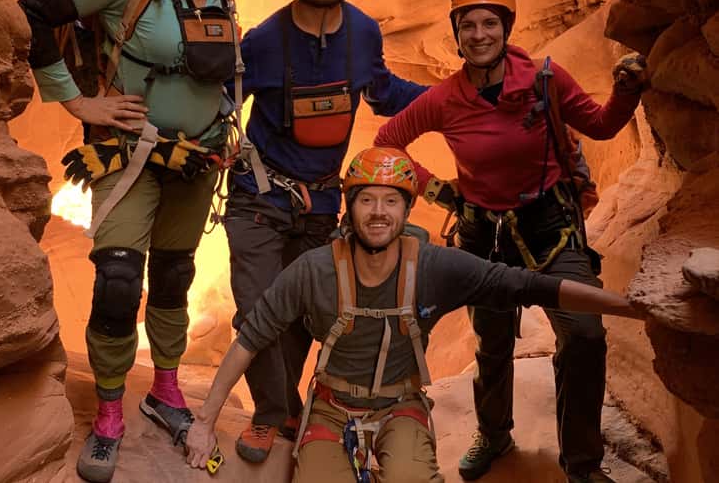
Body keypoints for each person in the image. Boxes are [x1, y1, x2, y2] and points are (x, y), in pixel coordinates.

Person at [184, 147, 644, 482]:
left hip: (399, 407)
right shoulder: (316, 269)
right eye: (367, 200)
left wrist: (628, 307)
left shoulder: (433, 267)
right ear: (350, 207)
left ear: (407, 209)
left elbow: (527, 285)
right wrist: (204, 424)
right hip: (331, 408)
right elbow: (252, 336)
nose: (378, 212)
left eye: (391, 201)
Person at [17, 0, 239, 481]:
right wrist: (77, 102)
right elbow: (35, 15)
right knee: (118, 284)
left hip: (198, 157)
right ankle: (109, 411)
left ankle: (166, 389)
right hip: (130, 153)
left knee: (174, 277)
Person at [373, 0, 648, 483]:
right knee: (492, 342)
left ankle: (582, 466)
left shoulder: (544, 78)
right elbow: (387, 141)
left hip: (550, 230)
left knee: (584, 335)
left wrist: (627, 92)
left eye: (490, 24)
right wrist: (437, 190)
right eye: (469, 25)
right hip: (484, 238)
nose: (479, 34)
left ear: (506, 29)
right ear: (457, 35)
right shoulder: (445, 98)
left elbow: (603, 125)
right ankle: (494, 434)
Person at [224, 0, 428, 463]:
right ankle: (273, 415)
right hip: (259, 200)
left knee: (310, 313)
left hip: (320, 205)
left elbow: (383, 92)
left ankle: (289, 406)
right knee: (258, 306)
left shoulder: (363, 33)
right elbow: (223, 100)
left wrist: (448, 99)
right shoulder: (265, 40)